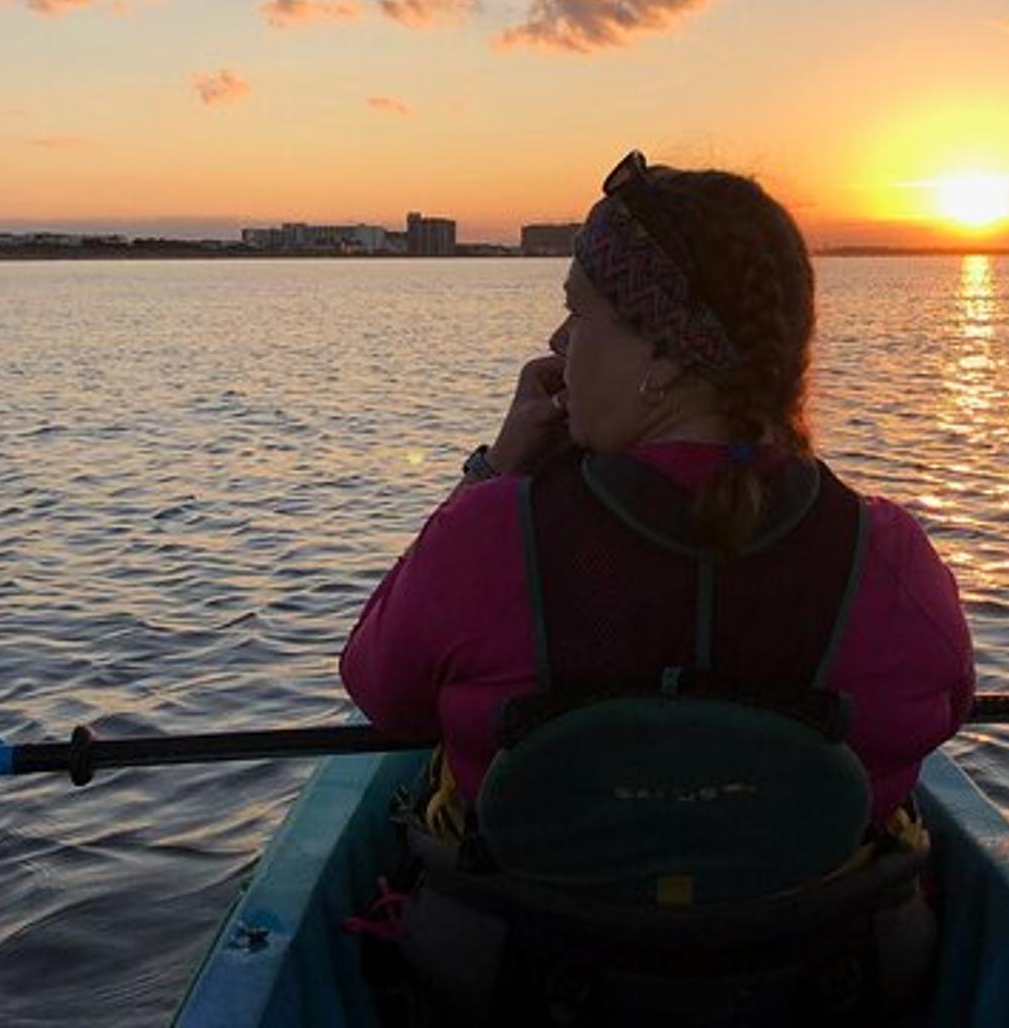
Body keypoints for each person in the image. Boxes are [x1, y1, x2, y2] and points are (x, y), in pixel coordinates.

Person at [339, 151, 975, 1024]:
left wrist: (493, 473)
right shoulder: (887, 554)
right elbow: (946, 706)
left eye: (578, 312)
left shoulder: (489, 532)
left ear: (666, 359)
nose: (557, 346)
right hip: (811, 993)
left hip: (527, 993)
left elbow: (382, 693)